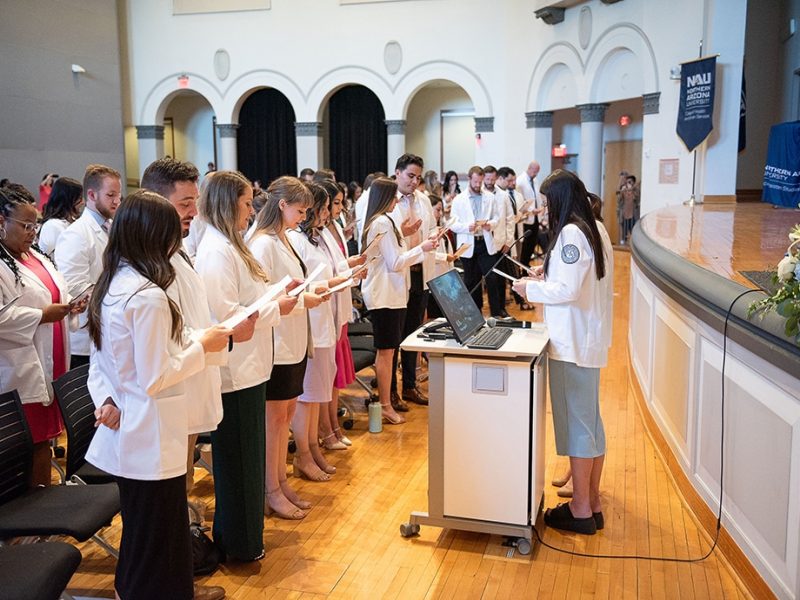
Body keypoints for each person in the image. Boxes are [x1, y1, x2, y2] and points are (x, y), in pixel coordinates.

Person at [85, 190, 231, 600]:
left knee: (144, 530)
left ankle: (131, 589)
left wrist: (108, 400)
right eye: (172, 234)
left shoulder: (115, 281)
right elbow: (156, 375)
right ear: (155, 237)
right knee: (158, 533)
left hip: (132, 427)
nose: (177, 244)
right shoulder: (146, 295)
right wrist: (204, 348)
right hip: (151, 432)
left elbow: (107, 364)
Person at [138, 157, 257, 507]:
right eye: (185, 203)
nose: (194, 211)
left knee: (183, 477)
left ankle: (183, 543)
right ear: (157, 202)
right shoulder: (144, 261)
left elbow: (193, 314)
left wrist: (214, 336)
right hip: (166, 388)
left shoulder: (177, 248)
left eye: (196, 201)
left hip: (189, 376)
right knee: (167, 489)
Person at [195, 170, 296, 561]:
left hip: (252, 368)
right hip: (234, 372)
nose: (251, 209)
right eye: (244, 203)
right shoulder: (216, 250)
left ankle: (248, 538)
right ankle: (238, 543)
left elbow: (247, 299)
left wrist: (273, 300)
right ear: (225, 204)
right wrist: (275, 308)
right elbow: (227, 314)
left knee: (249, 458)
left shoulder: (232, 245)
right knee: (238, 460)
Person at [512, 169, 613, 536]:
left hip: (572, 343)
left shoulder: (572, 232)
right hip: (587, 338)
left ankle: (580, 508)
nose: (544, 210)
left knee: (578, 427)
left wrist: (529, 288)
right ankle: (593, 501)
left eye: (547, 202)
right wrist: (548, 273)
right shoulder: (593, 227)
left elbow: (568, 291)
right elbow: (576, 280)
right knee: (591, 424)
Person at [247, 176, 323, 519]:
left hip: (292, 337)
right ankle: (271, 489)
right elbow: (262, 296)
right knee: (275, 418)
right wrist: (300, 297)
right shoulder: (262, 243)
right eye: (300, 209)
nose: (304, 216)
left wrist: (306, 295)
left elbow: (287, 289)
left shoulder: (283, 239)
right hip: (276, 342)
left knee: (287, 413)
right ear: (281, 204)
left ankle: (280, 480)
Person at [0, 185, 86, 487]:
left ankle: (42, 511)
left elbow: (54, 293)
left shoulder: (35, 256)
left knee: (46, 442)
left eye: (34, 224)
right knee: (29, 446)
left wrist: (71, 306)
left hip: (51, 363)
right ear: (1, 222)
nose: (32, 232)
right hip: (20, 369)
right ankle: (28, 525)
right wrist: (41, 316)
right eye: (25, 225)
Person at [361, 177, 436, 425]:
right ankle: (384, 404)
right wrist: (422, 249)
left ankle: (386, 401)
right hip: (383, 296)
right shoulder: (382, 221)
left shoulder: (386, 221)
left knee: (390, 350)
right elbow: (394, 262)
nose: (397, 200)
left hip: (392, 295)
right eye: (393, 196)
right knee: (386, 353)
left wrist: (405, 235)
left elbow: (392, 252)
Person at [287, 182, 344, 479]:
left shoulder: (315, 238)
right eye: (319, 209)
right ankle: (305, 453)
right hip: (309, 321)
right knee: (307, 395)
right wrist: (332, 284)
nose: (324, 214)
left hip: (324, 318)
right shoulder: (295, 239)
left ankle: (313, 447)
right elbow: (299, 282)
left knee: (318, 391)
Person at [55, 164, 122, 367]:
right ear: (91, 195)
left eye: (118, 195)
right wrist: (120, 298)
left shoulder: (112, 227)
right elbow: (74, 289)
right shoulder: (76, 234)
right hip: (86, 340)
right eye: (110, 195)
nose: (117, 201)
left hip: (110, 332)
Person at [318, 179, 366, 450]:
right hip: (327, 306)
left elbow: (335, 266)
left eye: (338, 203)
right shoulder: (316, 234)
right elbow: (328, 271)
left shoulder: (333, 228)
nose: (335, 209)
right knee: (325, 378)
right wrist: (347, 270)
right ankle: (327, 429)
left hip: (339, 305)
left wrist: (352, 267)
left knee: (333, 376)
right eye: (331, 204)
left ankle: (332, 426)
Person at [388, 154, 437, 408]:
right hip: (398, 273)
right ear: (397, 173)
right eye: (410, 175)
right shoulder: (387, 201)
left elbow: (430, 229)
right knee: (394, 335)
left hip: (420, 271)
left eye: (418, 177)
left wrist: (433, 236)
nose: (414, 181)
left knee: (412, 332)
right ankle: (390, 392)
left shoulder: (424, 200)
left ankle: (409, 385)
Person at [449, 166, 504, 317]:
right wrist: (467, 227)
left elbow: (497, 218)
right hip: (468, 243)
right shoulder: (459, 200)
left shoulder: (490, 197)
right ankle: (475, 313)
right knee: (471, 281)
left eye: (480, 182)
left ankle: (496, 313)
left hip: (484, 242)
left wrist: (490, 225)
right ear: (469, 179)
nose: (478, 185)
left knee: (491, 277)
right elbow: (452, 224)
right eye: (475, 182)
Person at [37, 177, 84, 257]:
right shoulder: (52, 226)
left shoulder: (75, 222)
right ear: (68, 200)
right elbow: (45, 258)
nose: (83, 202)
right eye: (79, 199)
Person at [426, 195, 456, 320]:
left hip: (445, 277)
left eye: (441, 210)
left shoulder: (440, 228)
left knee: (446, 314)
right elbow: (425, 252)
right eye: (437, 210)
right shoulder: (426, 230)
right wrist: (445, 257)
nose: (440, 213)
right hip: (434, 277)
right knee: (435, 315)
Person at [516, 160, 546, 268]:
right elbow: (520, 201)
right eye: (534, 171)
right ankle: (523, 266)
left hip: (536, 217)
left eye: (537, 172)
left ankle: (527, 264)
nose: (535, 174)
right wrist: (530, 211)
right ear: (529, 168)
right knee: (526, 245)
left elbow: (536, 196)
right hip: (526, 219)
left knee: (532, 244)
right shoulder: (520, 181)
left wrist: (541, 207)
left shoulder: (535, 180)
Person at [616, 173, 640, 245]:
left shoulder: (636, 191)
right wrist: (622, 191)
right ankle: (622, 244)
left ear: (633, 182)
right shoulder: (624, 191)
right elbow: (619, 200)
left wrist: (632, 190)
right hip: (624, 215)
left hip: (633, 216)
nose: (628, 183)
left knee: (633, 232)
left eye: (630, 181)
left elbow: (638, 199)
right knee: (624, 233)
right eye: (627, 181)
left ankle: (633, 245)